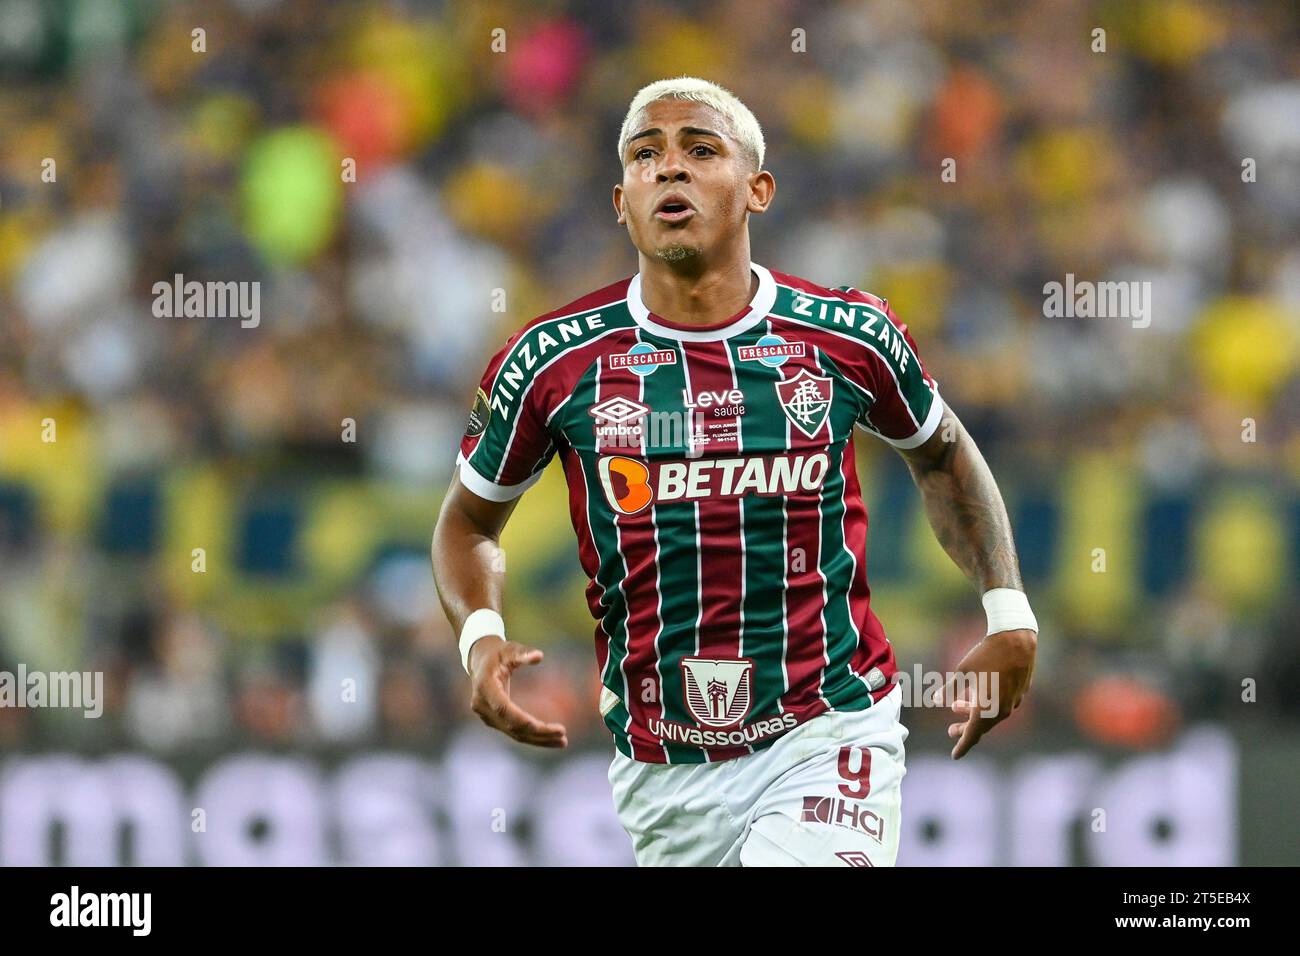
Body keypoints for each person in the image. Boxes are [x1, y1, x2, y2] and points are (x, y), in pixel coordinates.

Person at [432, 77, 1038, 867]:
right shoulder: (551, 361)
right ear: (622, 201)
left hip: (829, 725)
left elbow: (944, 455)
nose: (669, 169)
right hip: (662, 771)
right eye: (646, 155)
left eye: (699, 149)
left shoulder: (846, 336)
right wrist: (480, 638)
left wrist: (1008, 609)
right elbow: (468, 522)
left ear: (758, 189)